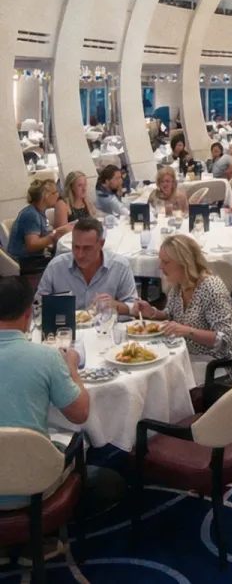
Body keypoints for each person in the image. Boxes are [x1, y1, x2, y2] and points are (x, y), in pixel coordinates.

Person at [0, 276, 90, 507]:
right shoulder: (46, 357)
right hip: (33, 485)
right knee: (74, 439)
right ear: (29, 314)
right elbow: (80, 414)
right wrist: (71, 367)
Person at [132, 235, 232, 386]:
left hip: (221, 364)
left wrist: (187, 331)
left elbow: (224, 339)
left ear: (184, 263)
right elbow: (171, 315)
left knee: (164, 384)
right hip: (191, 357)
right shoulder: (179, 284)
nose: (160, 267)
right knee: (154, 375)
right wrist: (152, 312)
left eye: (166, 262)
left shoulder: (211, 288)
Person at [37, 216, 137, 313]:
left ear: (101, 244)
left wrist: (114, 305)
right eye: (76, 247)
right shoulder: (56, 267)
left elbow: (135, 307)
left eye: (87, 248)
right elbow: (37, 306)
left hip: (104, 328)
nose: (80, 255)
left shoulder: (119, 266)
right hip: (66, 328)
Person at [8, 179, 73, 277]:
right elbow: (32, 245)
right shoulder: (32, 215)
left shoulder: (37, 211)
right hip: (26, 261)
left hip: (32, 258)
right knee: (68, 263)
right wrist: (55, 234)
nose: (58, 194)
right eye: (55, 192)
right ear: (46, 196)